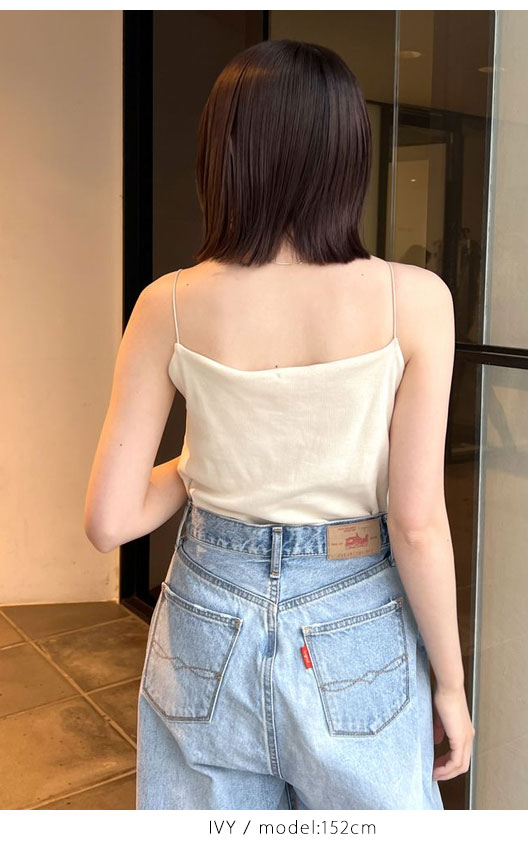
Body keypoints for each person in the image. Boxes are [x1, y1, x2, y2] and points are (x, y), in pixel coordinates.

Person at [84, 38, 474, 811]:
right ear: (347, 157)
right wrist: (452, 686)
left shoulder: (166, 304)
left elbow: (109, 522)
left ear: (222, 156)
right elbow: (417, 522)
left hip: (206, 609)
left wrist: (199, 463)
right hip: (354, 612)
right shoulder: (414, 299)